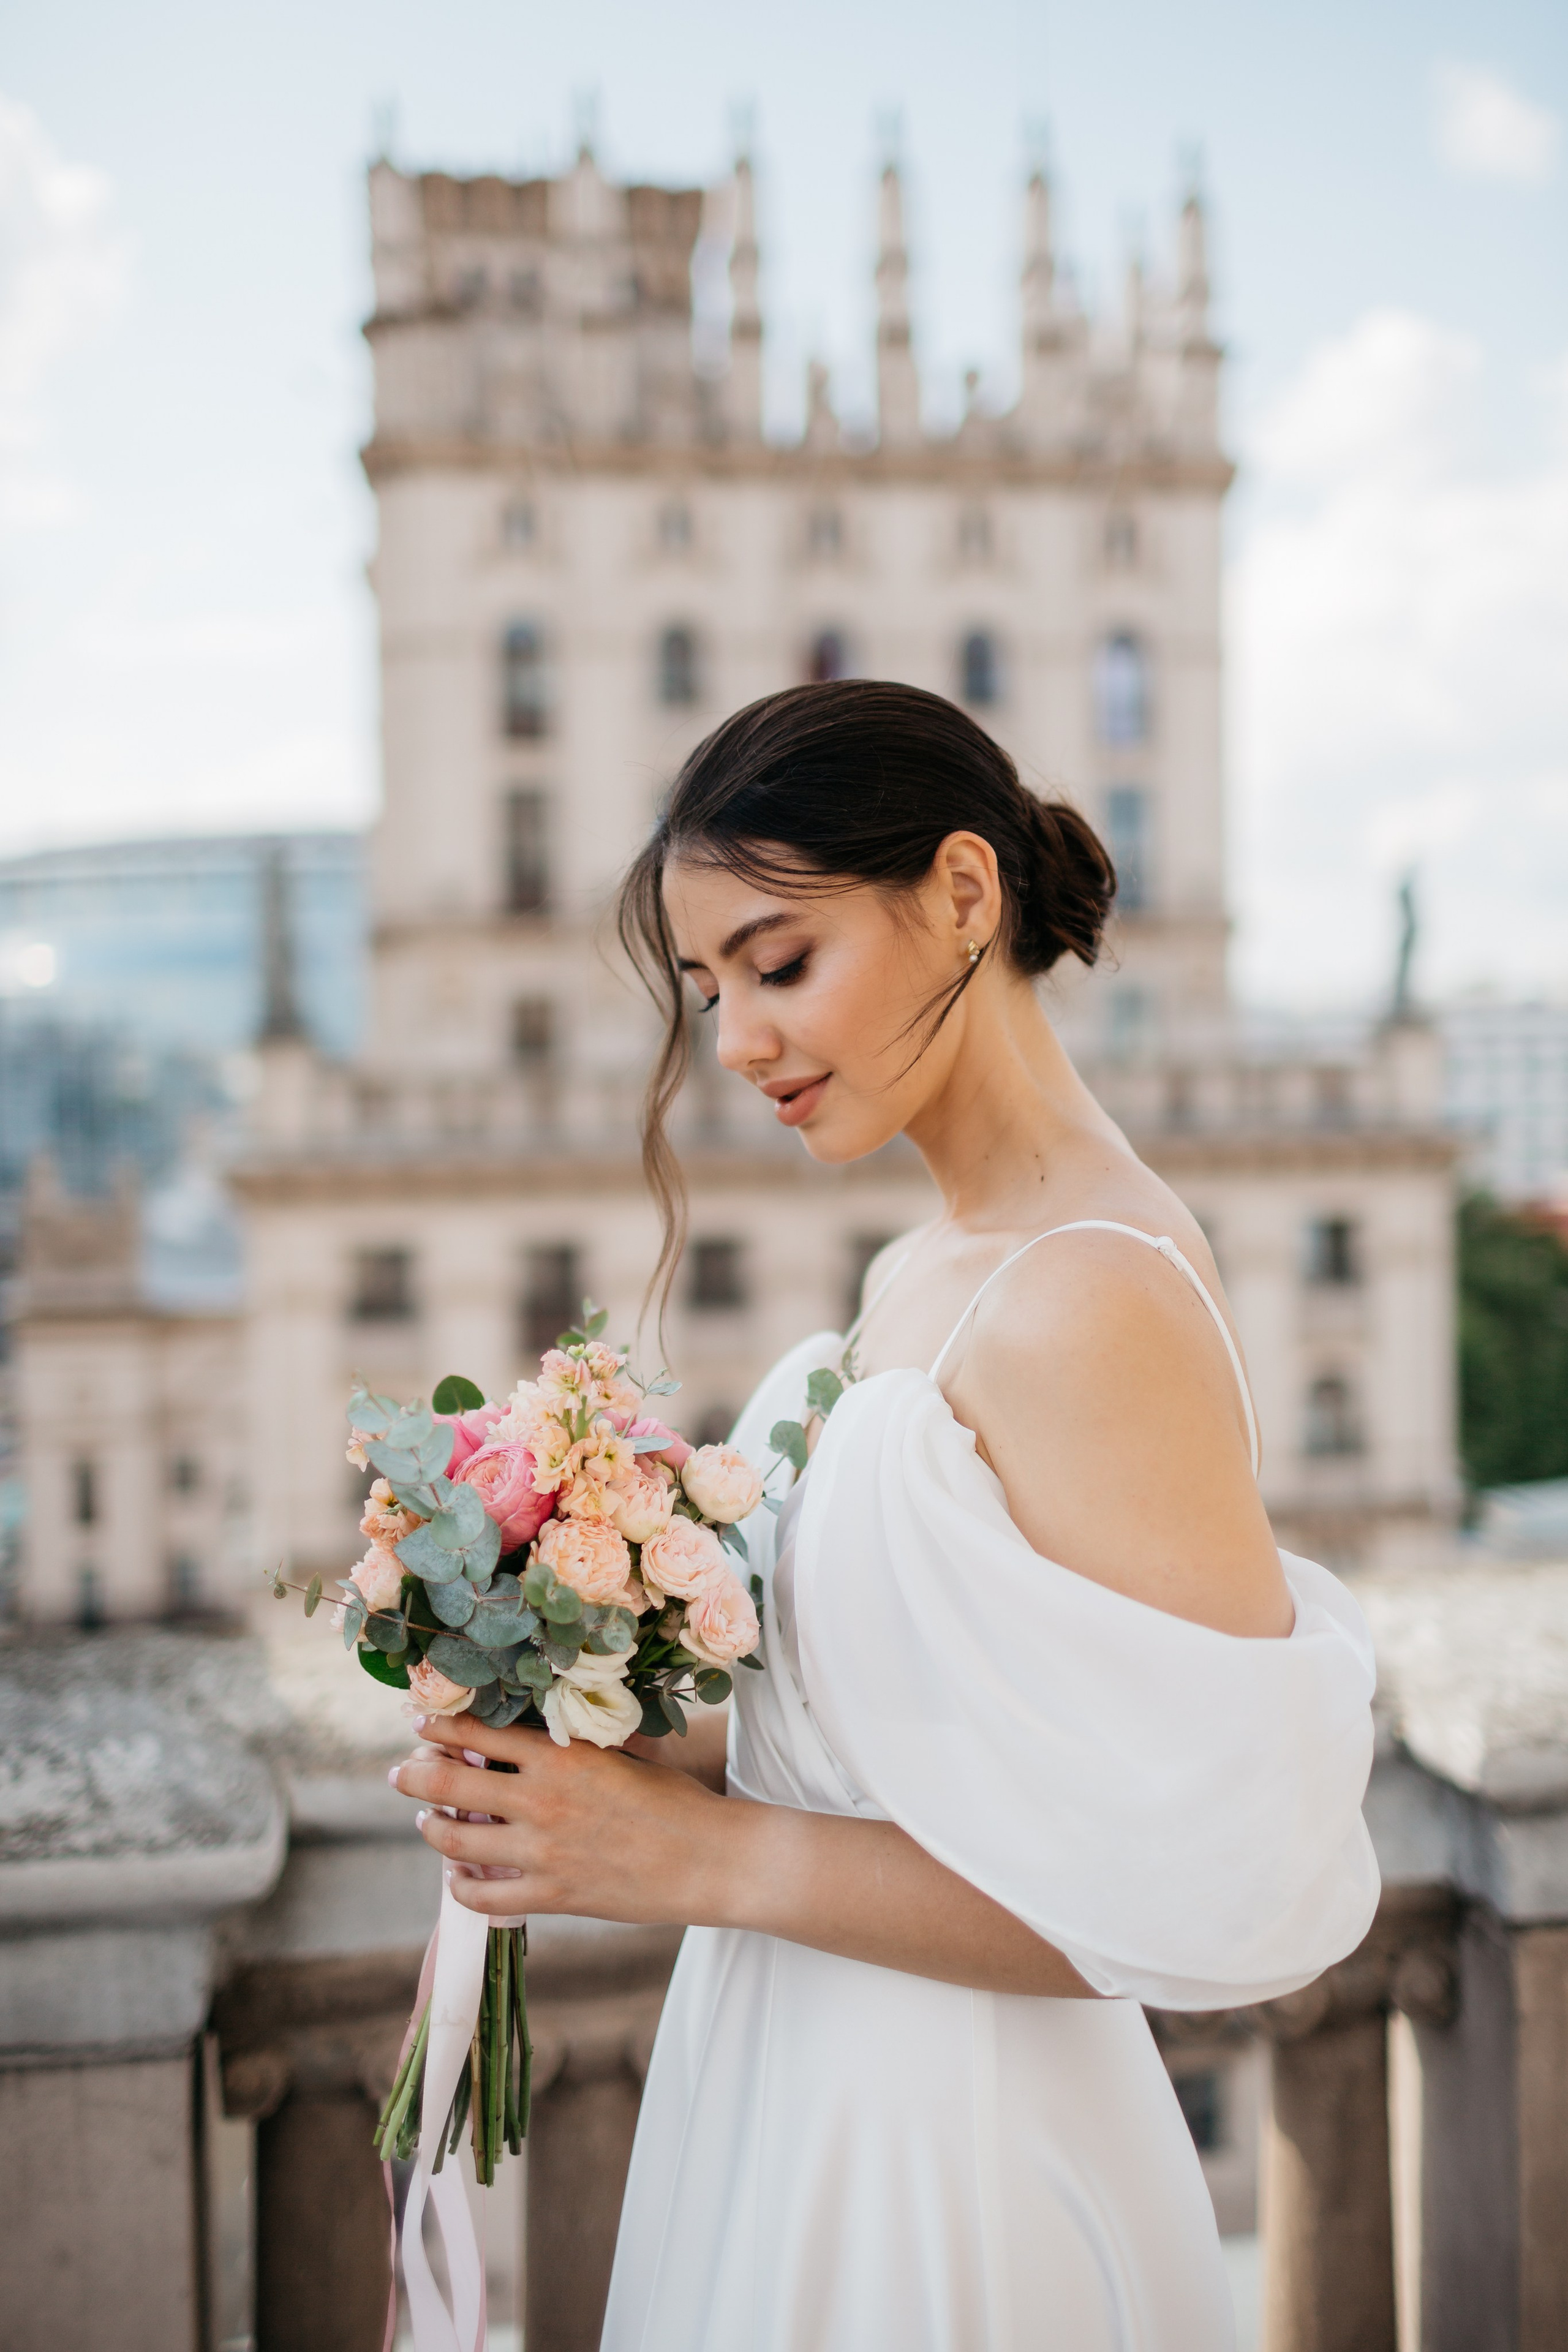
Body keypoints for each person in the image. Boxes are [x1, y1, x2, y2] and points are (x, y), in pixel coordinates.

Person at [392, 681, 1380, 2351]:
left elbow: (1187, 1892)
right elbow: (908, 1737)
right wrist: (600, 1750)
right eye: (712, 992)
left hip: (957, 2153)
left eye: (780, 965)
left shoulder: (1093, 1297)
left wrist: (701, 1856)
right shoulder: (917, 1266)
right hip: (782, 2073)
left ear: (966, 897)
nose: (741, 1042)